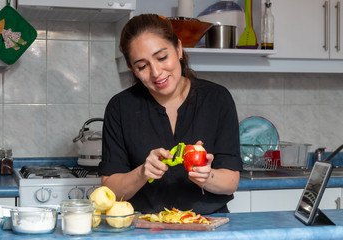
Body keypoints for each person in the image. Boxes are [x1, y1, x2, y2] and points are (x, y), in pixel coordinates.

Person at [98, 14, 242, 214]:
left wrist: (206, 176)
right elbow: (110, 188)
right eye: (142, 66)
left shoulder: (217, 99)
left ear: (178, 49)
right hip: (146, 229)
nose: (156, 72)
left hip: (208, 227)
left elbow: (231, 182)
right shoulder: (120, 108)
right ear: (132, 68)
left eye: (162, 57)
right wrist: (142, 172)